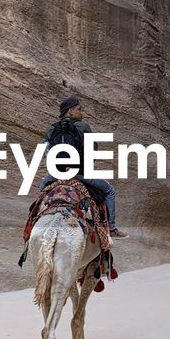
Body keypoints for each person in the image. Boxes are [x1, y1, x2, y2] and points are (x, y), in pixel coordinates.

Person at [39, 96, 129, 238]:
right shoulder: (83, 127)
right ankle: (111, 229)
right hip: (80, 174)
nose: (82, 113)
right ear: (71, 112)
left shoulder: (52, 129)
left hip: (58, 175)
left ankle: (35, 222)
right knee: (110, 191)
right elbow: (92, 150)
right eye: (79, 109)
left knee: (43, 188)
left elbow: (44, 151)